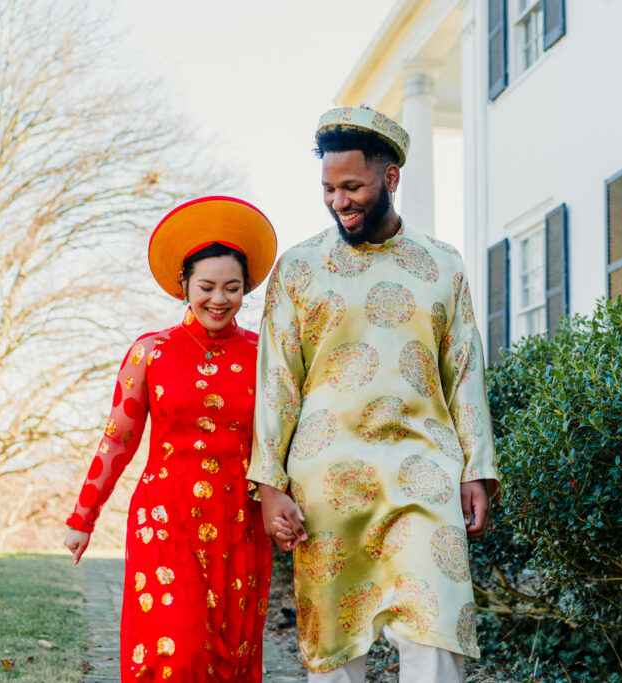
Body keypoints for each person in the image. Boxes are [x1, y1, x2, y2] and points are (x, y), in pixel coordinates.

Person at [248, 106, 500, 682]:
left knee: (436, 634)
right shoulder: (299, 268)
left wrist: (475, 470)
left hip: (424, 473)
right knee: (334, 648)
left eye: (353, 186)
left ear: (390, 178)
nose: (340, 201)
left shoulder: (444, 265)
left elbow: (464, 372)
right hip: (327, 481)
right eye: (329, 189)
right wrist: (269, 486)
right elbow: (277, 381)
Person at [64, 196, 277, 682]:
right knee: (176, 654)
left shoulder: (266, 356)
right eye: (206, 286)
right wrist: (84, 517)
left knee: (233, 660)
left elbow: (283, 438)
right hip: (165, 519)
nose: (218, 300)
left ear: (246, 290)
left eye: (232, 288)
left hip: (240, 523)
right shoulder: (150, 353)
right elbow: (118, 439)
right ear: (184, 286)